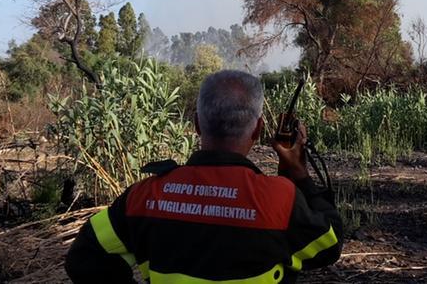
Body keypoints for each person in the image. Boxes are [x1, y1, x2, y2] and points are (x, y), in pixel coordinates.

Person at [65, 70, 342, 283]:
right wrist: (299, 173)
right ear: (258, 129)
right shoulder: (279, 199)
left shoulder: (144, 196)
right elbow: (329, 245)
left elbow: (83, 258)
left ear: (197, 124)